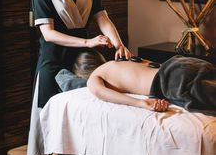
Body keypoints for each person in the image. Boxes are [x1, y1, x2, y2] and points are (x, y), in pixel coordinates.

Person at [32, 0, 131, 109]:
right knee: (53, 117)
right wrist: (87, 42)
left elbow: (102, 18)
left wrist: (119, 45)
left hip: (83, 62)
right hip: (54, 60)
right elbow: (48, 34)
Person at [87, 55, 216, 115]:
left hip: (170, 80)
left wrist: (141, 103)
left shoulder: (94, 76)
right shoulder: (119, 60)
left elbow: (100, 93)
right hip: (180, 63)